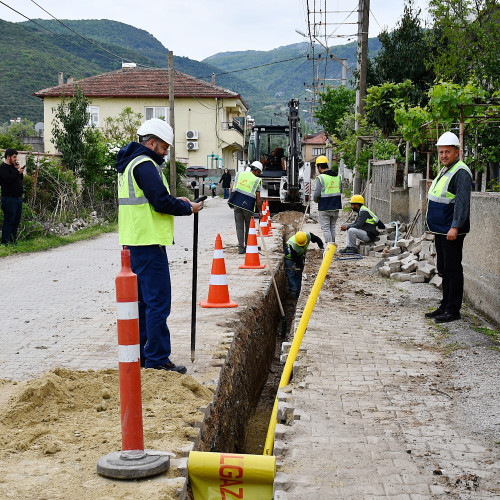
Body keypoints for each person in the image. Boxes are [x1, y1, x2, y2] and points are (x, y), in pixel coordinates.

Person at [115, 118, 203, 373]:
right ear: (151, 143)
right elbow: (160, 203)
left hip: (133, 243)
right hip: (148, 243)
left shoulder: (130, 163)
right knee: (157, 303)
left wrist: (176, 199)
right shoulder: (145, 164)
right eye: (164, 147)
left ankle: (143, 356)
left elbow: (153, 198)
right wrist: (189, 207)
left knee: (143, 303)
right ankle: (157, 359)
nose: (166, 152)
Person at [424, 131, 472, 324]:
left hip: (451, 230)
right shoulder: (446, 169)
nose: (444, 155)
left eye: (447, 152)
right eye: (441, 152)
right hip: (441, 229)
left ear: (456, 152)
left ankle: (453, 310)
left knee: (453, 269)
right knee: (443, 267)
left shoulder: (461, 172)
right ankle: (444, 305)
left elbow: (461, 204)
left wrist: (455, 227)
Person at [228, 161, 263, 254]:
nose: (258, 174)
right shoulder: (256, 180)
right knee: (249, 226)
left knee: (239, 226)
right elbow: (258, 199)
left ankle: (241, 248)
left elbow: (231, 188)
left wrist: (231, 201)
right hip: (248, 207)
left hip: (237, 205)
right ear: (256, 171)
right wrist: (260, 212)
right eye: (259, 172)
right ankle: (248, 246)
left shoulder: (239, 175)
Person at [284, 231, 324, 298]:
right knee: (291, 274)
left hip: (299, 256)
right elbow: (294, 257)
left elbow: (317, 239)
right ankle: (293, 291)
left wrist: (321, 247)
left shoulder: (308, 235)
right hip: (290, 258)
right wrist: (302, 263)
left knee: (298, 273)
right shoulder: (291, 244)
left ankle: (298, 290)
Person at [313, 155, 342, 244]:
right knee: (332, 227)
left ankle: (329, 247)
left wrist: (315, 200)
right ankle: (332, 246)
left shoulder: (321, 178)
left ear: (319, 167)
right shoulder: (338, 176)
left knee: (326, 228)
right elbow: (340, 190)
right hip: (336, 205)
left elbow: (317, 193)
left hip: (324, 206)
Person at [0, 148, 25, 245]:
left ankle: (13, 240)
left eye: (16, 157)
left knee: (16, 221)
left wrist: (19, 171)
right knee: (9, 220)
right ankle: (5, 241)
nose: (16, 159)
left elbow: (18, 180)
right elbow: (7, 180)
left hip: (17, 199)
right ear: (8, 157)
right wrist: (17, 172)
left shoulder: (13, 168)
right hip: (9, 199)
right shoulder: (3, 168)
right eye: (14, 157)